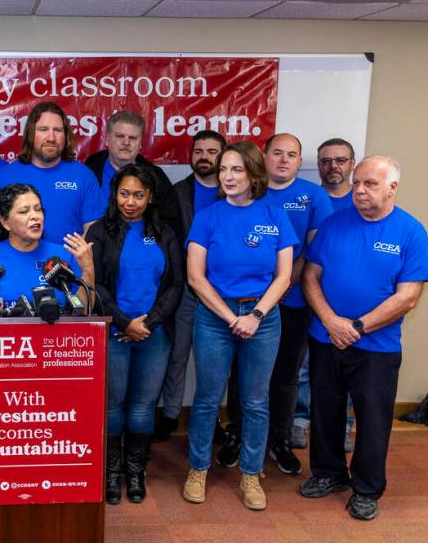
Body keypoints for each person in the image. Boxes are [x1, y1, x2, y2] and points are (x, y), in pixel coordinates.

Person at [299, 156, 428, 521]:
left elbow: (408, 296)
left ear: (392, 187)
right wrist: (331, 321)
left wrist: (356, 328)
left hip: (376, 347)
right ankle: (329, 474)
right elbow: (311, 276)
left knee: (373, 420)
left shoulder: (410, 231)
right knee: (325, 411)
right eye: (357, 183)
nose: (359, 190)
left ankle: (366, 488)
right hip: (326, 337)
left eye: (369, 184)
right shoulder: (333, 224)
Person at [182, 142, 297, 511]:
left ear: (253, 175)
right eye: (223, 170)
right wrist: (232, 318)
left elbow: (283, 277)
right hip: (216, 316)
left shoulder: (276, 215)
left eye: (236, 170)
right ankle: (198, 468)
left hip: (262, 317)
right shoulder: (208, 216)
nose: (227, 177)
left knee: (255, 401)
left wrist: (256, 316)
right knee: (206, 399)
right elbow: (196, 278)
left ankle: (250, 473)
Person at [220, 134, 332, 476]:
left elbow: (315, 249)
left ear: (301, 161)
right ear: (264, 157)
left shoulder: (313, 195)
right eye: (277, 153)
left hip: (293, 300)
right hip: (247, 303)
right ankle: (237, 435)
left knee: (285, 376)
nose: (284, 159)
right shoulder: (249, 191)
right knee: (242, 375)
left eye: (292, 155)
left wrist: (284, 283)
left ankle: (279, 440)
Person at [86, 165, 183, 504]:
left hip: (153, 334)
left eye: (138, 195)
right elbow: (93, 285)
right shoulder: (100, 232)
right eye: (124, 194)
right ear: (115, 195)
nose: (131, 202)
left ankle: (135, 471)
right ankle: (112, 474)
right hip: (113, 332)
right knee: (113, 406)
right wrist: (124, 322)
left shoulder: (165, 233)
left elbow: (174, 285)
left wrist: (148, 323)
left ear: (150, 196)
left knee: (142, 406)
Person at [155, 129, 226, 441]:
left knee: (217, 359)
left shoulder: (235, 192)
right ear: (190, 156)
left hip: (225, 291)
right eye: (199, 151)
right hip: (187, 288)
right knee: (178, 353)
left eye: (212, 151)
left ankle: (214, 420)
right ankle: (170, 414)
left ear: (223, 156)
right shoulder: (177, 191)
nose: (205, 157)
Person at [292, 138, 359, 450]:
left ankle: (343, 425)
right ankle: (301, 419)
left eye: (340, 160)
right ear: (317, 164)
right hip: (307, 293)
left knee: (344, 365)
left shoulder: (360, 201)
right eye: (326, 160)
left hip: (345, 301)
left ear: (352, 164)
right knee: (304, 364)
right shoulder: (309, 198)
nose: (333, 166)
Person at [0, 183, 94, 307]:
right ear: (5, 222)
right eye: (24, 211)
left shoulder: (63, 255)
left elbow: (84, 309)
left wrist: (88, 269)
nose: (35, 216)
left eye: (38, 209)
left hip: (54, 335)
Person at [0, 102, 105, 242]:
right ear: (30, 133)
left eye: (58, 130)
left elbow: (93, 230)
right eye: (43, 129)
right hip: (15, 263)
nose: (51, 138)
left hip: (70, 262)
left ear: (66, 135)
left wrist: (73, 261)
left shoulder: (83, 176)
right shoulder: (5, 176)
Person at [84, 110, 179, 236]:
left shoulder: (155, 177)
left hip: (139, 248)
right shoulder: (88, 170)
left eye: (133, 138)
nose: (126, 142)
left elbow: (169, 224)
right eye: (119, 136)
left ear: (141, 144)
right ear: (107, 140)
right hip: (94, 247)